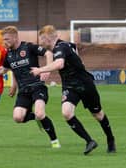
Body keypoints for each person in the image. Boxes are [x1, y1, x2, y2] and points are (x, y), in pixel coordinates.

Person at [31, 25, 116, 153]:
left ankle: (110, 139)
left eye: (41, 39)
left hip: (85, 84)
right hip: (70, 86)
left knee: (98, 115)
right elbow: (74, 48)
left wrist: (40, 70)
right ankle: (89, 141)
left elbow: (60, 64)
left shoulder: (60, 47)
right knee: (66, 112)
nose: (40, 42)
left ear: (47, 38)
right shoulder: (67, 45)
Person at [0, 26, 61, 148]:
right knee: (17, 117)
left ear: (15, 38)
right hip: (23, 91)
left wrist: (46, 70)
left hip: (37, 86)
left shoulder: (29, 47)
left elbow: (48, 53)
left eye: (7, 39)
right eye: (3, 39)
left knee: (40, 113)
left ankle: (54, 141)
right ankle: (37, 117)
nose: (4, 42)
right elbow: (3, 70)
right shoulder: (9, 55)